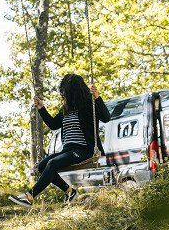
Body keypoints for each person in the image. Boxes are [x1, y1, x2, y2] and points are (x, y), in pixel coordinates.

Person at [9, 74, 111, 207]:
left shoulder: (88, 106)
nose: (64, 96)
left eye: (66, 93)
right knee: (42, 166)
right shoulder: (66, 110)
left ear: (74, 92)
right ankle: (70, 192)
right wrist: (41, 108)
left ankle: (29, 196)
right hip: (68, 150)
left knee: (52, 163)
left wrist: (97, 97)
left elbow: (106, 117)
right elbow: (53, 124)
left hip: (84, 150)